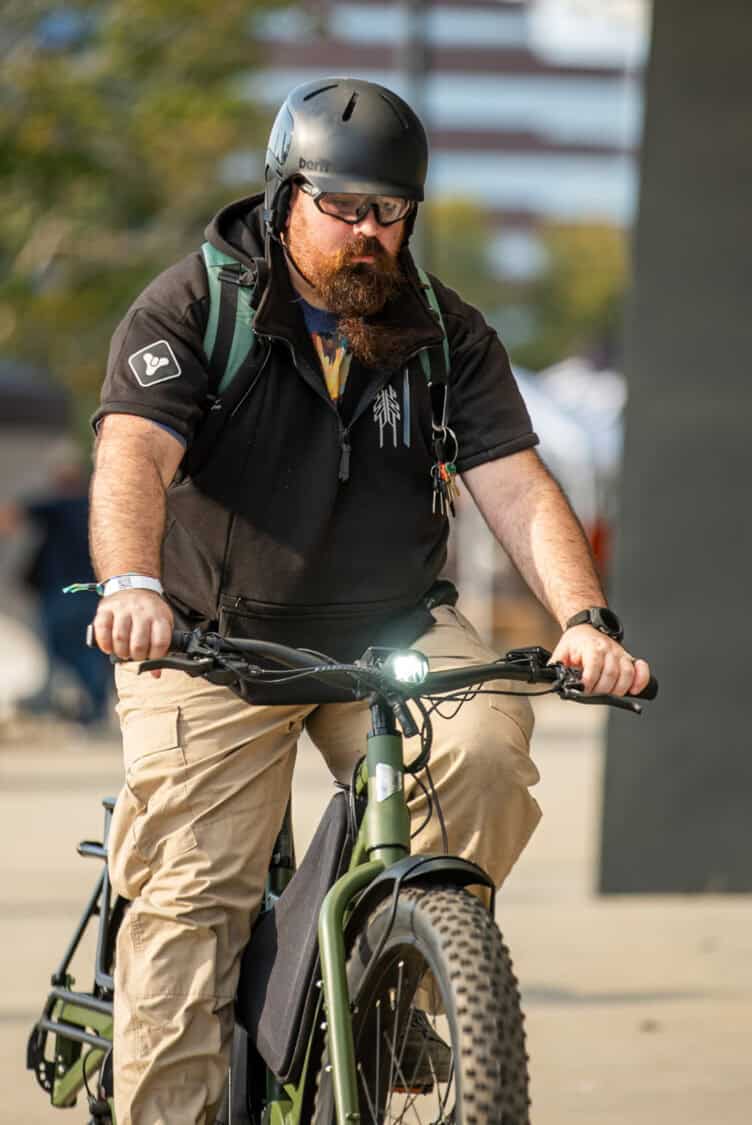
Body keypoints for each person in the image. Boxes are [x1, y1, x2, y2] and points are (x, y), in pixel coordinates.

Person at [89, 78, 650, 1123]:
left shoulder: (443, 331)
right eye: (341, 206)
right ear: (284, 195)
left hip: (388, 629)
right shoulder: (192, 306)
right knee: (191, 899)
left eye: (387, 212)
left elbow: (515, 485)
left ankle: (389, 970)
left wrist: (583, 618)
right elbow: (132, 456)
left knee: (482, 750)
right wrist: (130, 586)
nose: (366, 232)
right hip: (214, 640)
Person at [0, 447, 111, 726]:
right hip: (91, 592)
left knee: (62, 648)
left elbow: (12, 515)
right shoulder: (97, 506)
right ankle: (92, 706)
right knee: (91, 650)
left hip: (63, 593)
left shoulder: (58, 506)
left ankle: (84, 705)